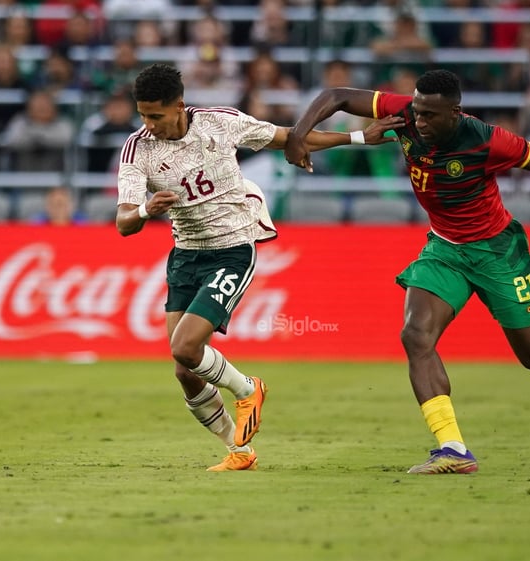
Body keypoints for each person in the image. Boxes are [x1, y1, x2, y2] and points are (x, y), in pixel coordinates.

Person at [285, 69, 530, 475]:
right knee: (415, 335)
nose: (418, 121)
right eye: (417, 111)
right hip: (445, 248)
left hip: (497, 253)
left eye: (428, 116)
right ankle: (452, 448)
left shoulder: (489, 139)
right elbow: (336, 94)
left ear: (454, 113)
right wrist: (298, 134)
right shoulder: (405, 112)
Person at [116, 63, 395, 472]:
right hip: (185, 255)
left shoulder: (220, 123)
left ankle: (249, 389)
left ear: (179, 106)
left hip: (232, 250)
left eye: (155, 116)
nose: (148, 124)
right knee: (185, 370)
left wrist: (355, 137)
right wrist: (144, 208)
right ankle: (239, 450)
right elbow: (124, 221)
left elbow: (289, 138)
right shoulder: (138, 149)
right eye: (142, 115)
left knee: (185, 348)